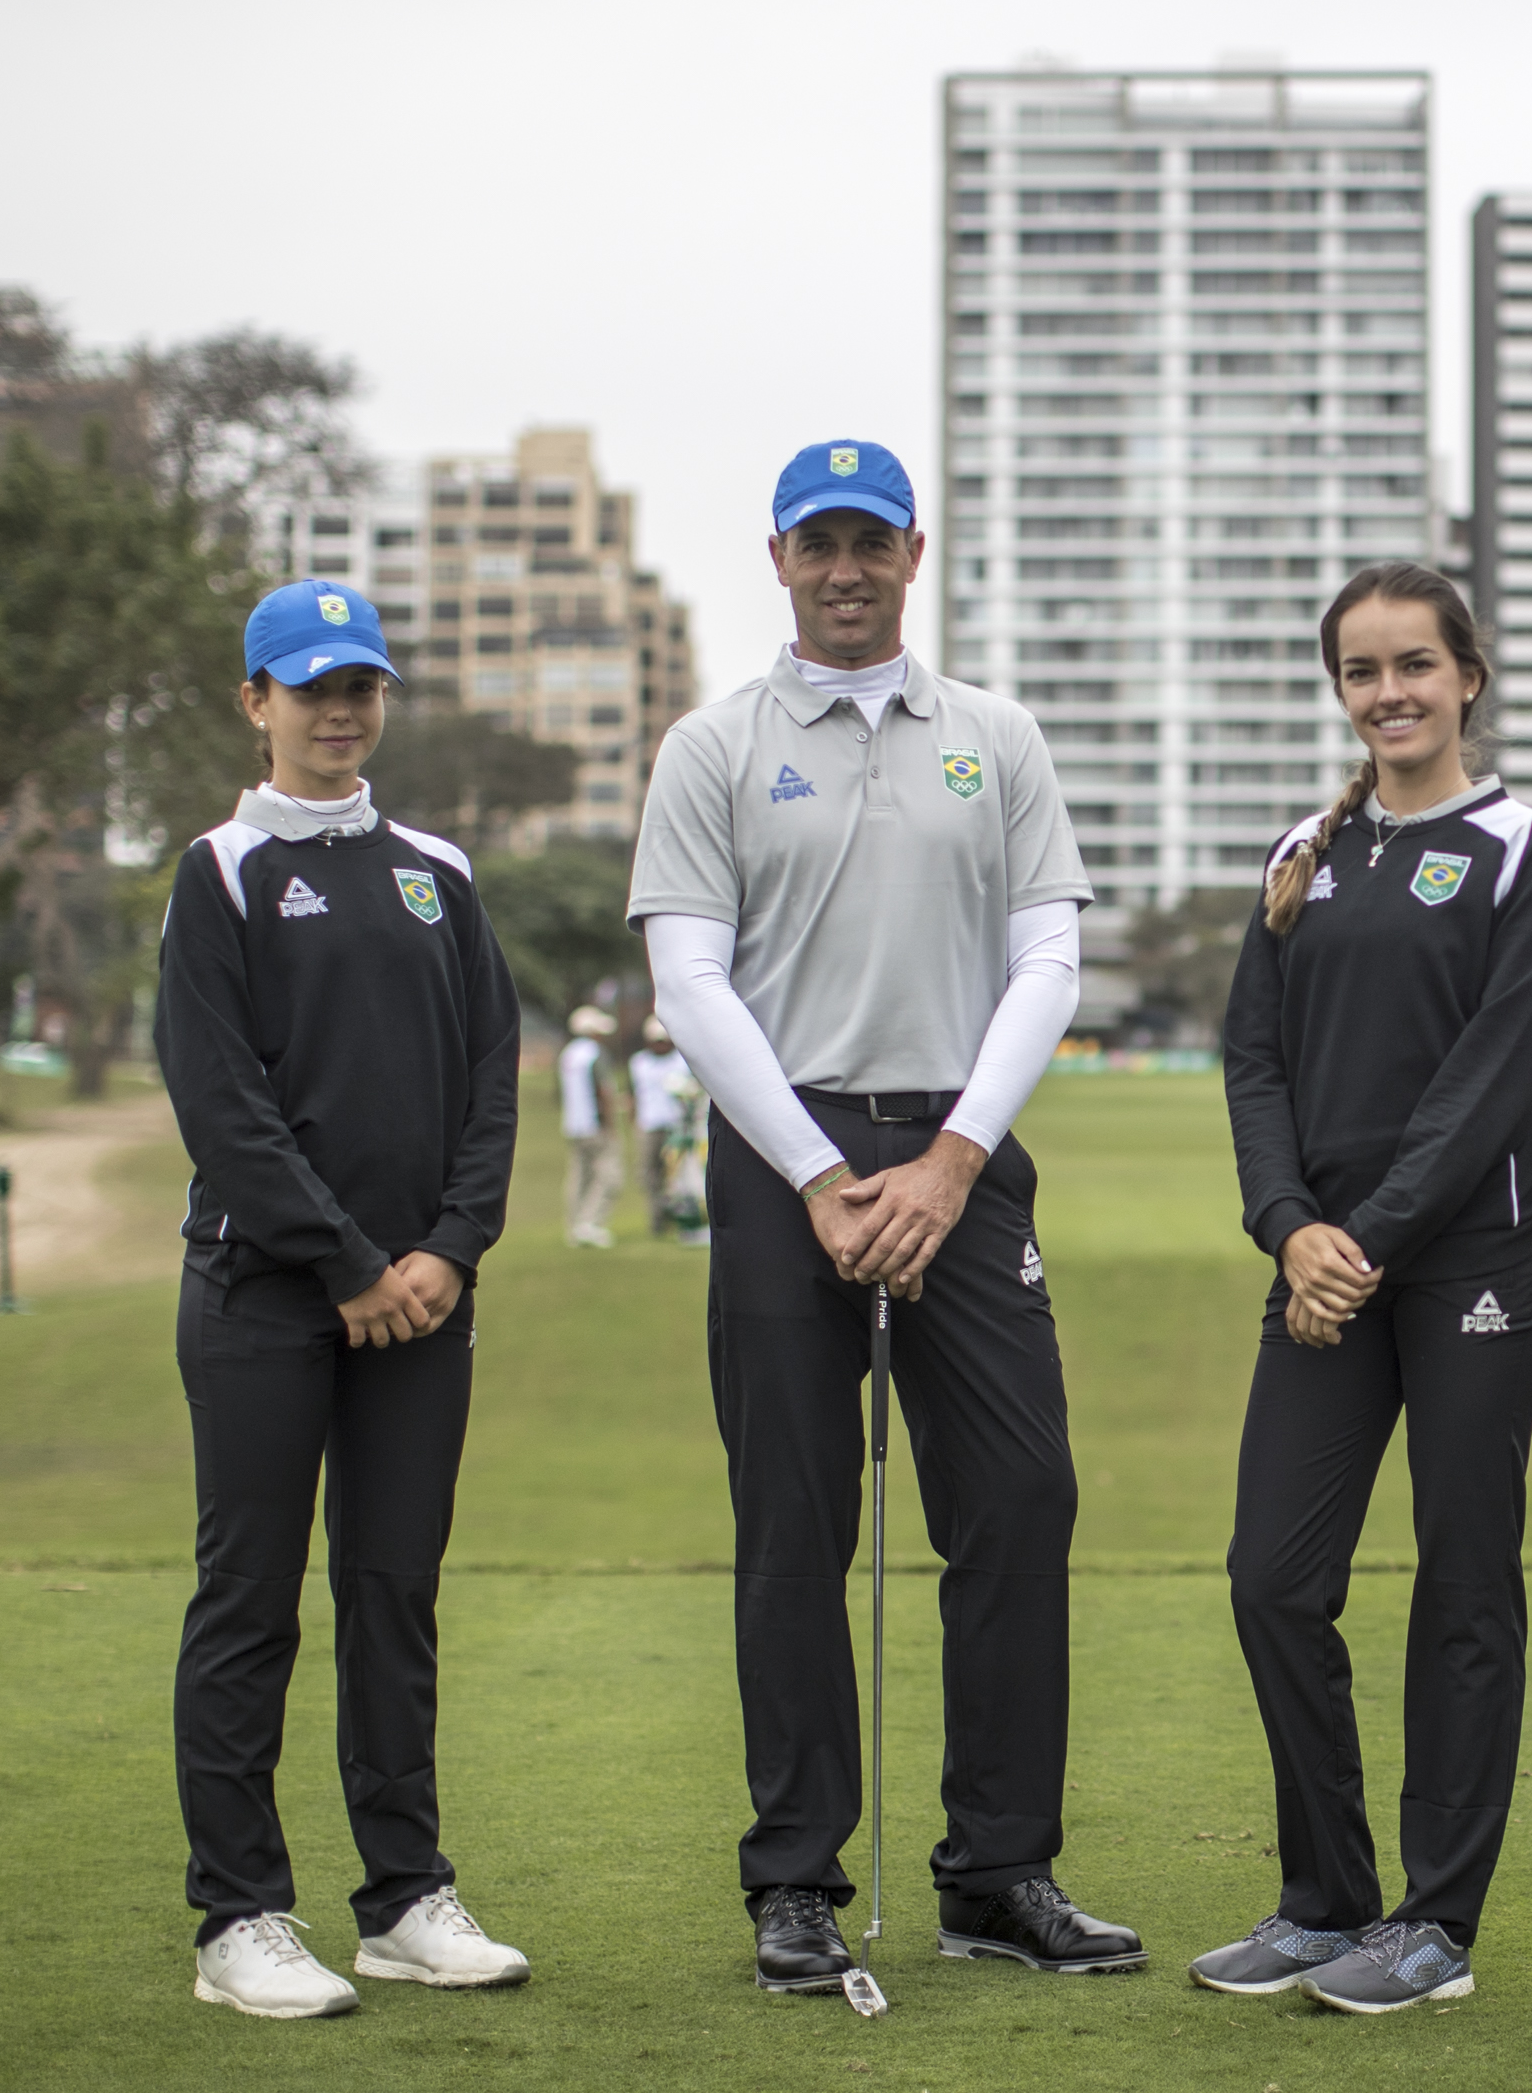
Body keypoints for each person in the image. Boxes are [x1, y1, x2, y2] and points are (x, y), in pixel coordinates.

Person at [630, 439, 1140, 1992]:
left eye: (871, 541)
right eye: (815, 544)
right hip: (789, 1158)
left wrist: (953, 1161)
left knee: (1021, 1502)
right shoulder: (711, 748)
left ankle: (998, 1870)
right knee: (796, 1529)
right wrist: (814, 1178)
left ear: (915, 553)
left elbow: (1047, 958)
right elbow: (690, 984)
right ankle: (795, 1879)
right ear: (776, 559)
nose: (844, 568)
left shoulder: (996, 735)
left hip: (961, 1157)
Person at [1188, 564, 1532, 2015]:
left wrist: (1360, 1244)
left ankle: (1434, 1926)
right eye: (1362, 671)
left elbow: (1493, 1079)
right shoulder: (1309, 849)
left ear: (1467, 675)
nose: (1391, 693)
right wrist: (1289, 1227)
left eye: (1415, 664)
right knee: (1273, 1580)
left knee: (1463, 1589)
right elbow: (1253, 1060)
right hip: (1324, 1275)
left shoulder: (1520, 850)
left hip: (1470, 1269)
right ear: (1341, 691)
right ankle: (1325, 1901)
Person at [154, 577, 530, 2020]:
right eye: (310, 687)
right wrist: (353, 1263)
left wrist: (445, 1250)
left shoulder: (438, 867)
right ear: (257, 702)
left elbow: (490, 1075)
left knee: (393, 1596)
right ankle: (238, 1916)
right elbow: (223, 1104)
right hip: (263, 1294)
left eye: (360, 686)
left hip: (424, 1304)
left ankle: (402, 1899)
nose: (339, 710)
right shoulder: (221, 871)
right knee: (250, 1604)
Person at [559, 1004, 622, 1248]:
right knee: (609, 1176)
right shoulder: (595, 1053)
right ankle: (591, 1223)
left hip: (573, 1125)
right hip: (595, 1125)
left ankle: (574, 1225)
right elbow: (604, 1091)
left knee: (579, 1177)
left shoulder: (568, 1054)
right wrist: (611, 1124)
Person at [629, 1015, 697, 1237]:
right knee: (650, 1175)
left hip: (675, 1126)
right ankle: (657, 1218)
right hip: (648, 1124)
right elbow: (634, 1094)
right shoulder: (639, 1062)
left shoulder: (680, 1061)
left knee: (676, 1175)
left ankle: (680, 1217)